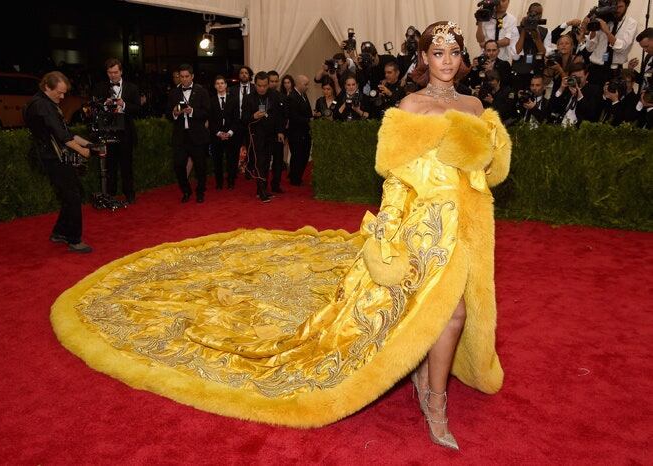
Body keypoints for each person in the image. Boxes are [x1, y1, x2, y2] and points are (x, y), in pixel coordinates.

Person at [51, 22, 510, 451]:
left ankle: (429, 387)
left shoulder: (474, 108)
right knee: (437, 311)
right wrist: (387, 231)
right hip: (420, 226)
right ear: (423, 59)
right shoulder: (410, 107)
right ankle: (432, 397)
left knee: (449, 313)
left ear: (462, 58)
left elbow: (491, 173)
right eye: (437, 53)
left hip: (465, 227)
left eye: (453, 53)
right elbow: (393, 176)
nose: (446, 61)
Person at [24, 71, 92, 253]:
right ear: (47, 87)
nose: (62, 97)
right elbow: (62, 137)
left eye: (64, 93)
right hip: (51, 157)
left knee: (71, 193)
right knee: (73, 195)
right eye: (59, 93)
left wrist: (90, 144)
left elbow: (66, 131)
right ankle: (74, 239)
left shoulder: (46, 103)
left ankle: (60, 232)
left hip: (54, 155)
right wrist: (84, 151)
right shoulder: (41, 106)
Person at [91, 58, 140, 204]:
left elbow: (138, 109)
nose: (113, 75)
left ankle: (129, 194)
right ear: (106, 73)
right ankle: (110, 194)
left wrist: (123, 104)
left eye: (115, 72)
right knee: (109, 165)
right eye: (110, 72)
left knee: (126, 165)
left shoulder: (132, 88)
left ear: (121, 71)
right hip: (107, 131)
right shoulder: (99, 87)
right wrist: (104, 106)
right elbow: (93, 108)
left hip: (126, 132)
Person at [168, 63, 211, 203]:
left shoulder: (201, 91)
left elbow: (207, 112)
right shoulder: (173, 92)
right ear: (178, 77)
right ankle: (186, 190)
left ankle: (200, 191)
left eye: (187, 76)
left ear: (192, 76)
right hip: (180, 136)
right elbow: (168, 115)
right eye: (182, 76)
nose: (184, 79)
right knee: (178, 165)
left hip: (197, 136)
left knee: (200, 166)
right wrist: (174, 113)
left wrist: (192, 111)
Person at [242, 71, 285, 202]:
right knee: (259, 163)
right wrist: (253, 116)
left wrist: (280, 131)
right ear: (255, 84)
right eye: (259, 85)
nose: (262, 88)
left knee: (266, 163)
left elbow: (279, 116)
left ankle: (262, 189)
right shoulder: (248, 98)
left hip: (271, 134)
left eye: (265, 85)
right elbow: (243, 119)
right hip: (256, 135)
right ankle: (262, 192)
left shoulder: (274, 96)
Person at [582, 0, 638, 88]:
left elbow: (622, 48)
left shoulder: (631, 23)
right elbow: (589, 48)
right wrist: (592, 29)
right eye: (614, 7)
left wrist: (607, 32)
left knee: (608, 100)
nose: (617, 10)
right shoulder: (602, 19)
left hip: (614, 71)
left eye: (620, 7)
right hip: (595, 69)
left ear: (626, 6)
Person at [209, 75, 239, 190]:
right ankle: (219, 183)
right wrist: (219, 133)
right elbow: (210, 120)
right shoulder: (211, 101)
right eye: (218, 83)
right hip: (216, 136)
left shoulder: (233, 100)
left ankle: (231, 181)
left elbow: (237, 119)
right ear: (215, 86)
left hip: (230, 135)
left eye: (222, 83)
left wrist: (229, 133)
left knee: (231, 160)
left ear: (226, 85)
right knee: (217, 161)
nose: (220, 85)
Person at [286, 75, 313, 186]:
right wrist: (309, 120)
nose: (307, 87)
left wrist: (312, 116)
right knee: (297, 156)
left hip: (305, 132)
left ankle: (297, 177)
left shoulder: (303, 94)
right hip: (296, 133)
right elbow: (293, 117)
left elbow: (306, 111)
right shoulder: (292, 97)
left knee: (304, 155)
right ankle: (295, 179)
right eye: (305, 84)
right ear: (298, 84)